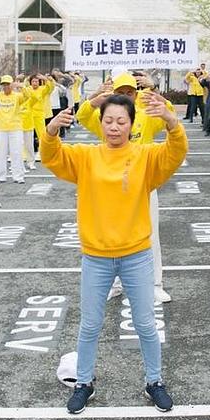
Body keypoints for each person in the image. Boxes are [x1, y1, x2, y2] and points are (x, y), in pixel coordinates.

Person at [42, 91, 187, 414]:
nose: (114, 127)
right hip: (96, 257)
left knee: (145, 323)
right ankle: (83, 383)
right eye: (108, 121)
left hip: (136, 255)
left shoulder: (145, 156)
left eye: (121, 121)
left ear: (132, 124)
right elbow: (53, 157)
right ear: (101, 123)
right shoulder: (86, 156)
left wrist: (171, 121)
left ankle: (154, 381)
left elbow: (175, 152)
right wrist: (51, 131)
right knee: (90, 325)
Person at [76, 72, 175, 304]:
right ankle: (116, 284)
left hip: (144, 184)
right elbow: (82, 116)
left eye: (130, 92)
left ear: (136, 93)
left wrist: (155, 90)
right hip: (111, 187)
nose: (126, 96)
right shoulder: (107, 117)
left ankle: (155, 285)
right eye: (120, 92)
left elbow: (169, 115)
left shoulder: (145, 113)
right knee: (112, 235)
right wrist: (95, 97)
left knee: (150, 234)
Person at [0, 75, 26, 184]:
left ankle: (18, 176)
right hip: (0, 128)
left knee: (16, 152)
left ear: (12, 85)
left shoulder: (17, 96)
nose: (6, 86)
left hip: (15, 128)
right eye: (4, 84)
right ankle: (0, 176)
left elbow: (28, 96)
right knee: (0, 153)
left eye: (8, 84)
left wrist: (21, 86)